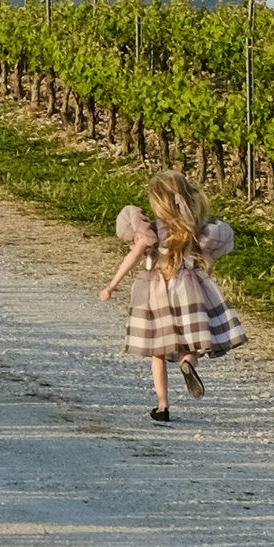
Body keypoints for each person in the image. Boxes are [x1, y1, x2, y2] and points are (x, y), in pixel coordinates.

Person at [99, 166, 244, 422]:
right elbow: (208, 258)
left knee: (158, 351)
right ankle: (188, 364)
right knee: (188, 343)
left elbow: (132, 257)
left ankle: (162, 406)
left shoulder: (150, 231)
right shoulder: (193, 231)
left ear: (157, 202)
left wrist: (111, 285)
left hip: (155, 291)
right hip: (187, 289)